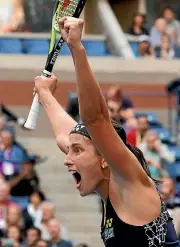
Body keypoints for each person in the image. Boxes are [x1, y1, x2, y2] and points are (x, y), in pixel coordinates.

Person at [34, 17, 179, 246]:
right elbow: (67, 136)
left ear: (103, 158)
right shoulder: (107, 188)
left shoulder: (130, 182)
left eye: (77, 151)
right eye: (70, 152)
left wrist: (76, 48)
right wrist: (46, 96)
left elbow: (96, 119)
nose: (67, 159)